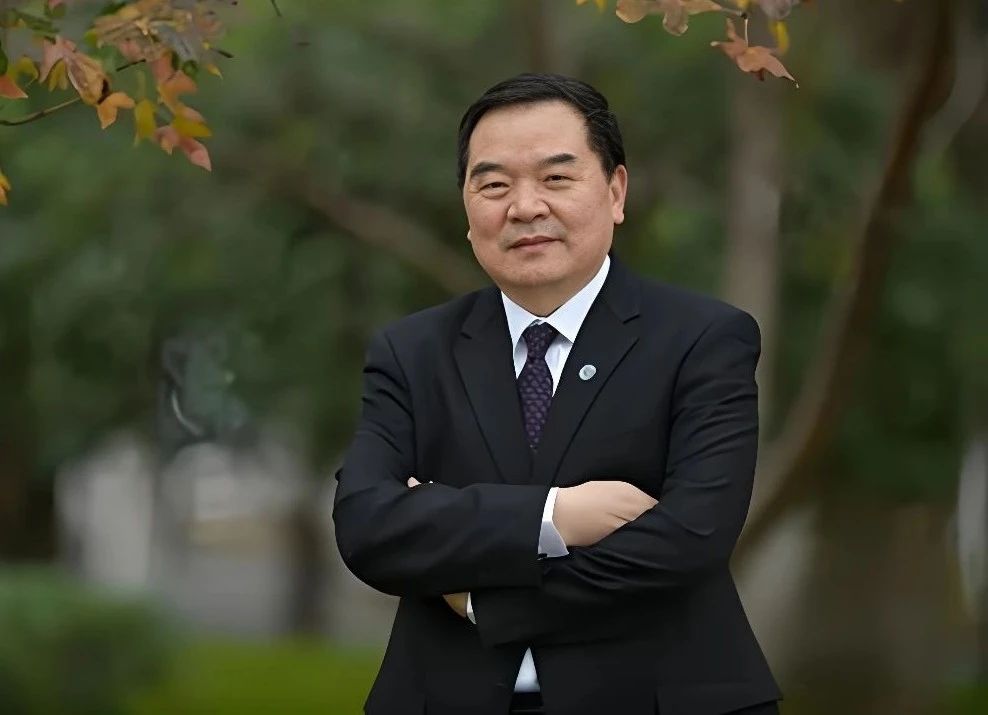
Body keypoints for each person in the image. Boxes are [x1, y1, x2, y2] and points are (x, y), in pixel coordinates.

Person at [333, 73, 781, 715]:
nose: (524, 207)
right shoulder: (413, 352)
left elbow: (689, 537)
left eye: (556, 178)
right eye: (494, 185)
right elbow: (368, 527)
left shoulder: (702, 339)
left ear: (616, 192)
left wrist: (484, 599)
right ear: (467, 210)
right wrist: (553, 515)